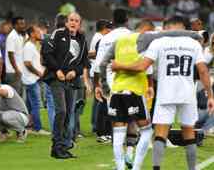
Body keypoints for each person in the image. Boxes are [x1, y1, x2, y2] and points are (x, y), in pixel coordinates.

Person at [111, 16, 214, 170]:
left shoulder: (159, 42)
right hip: (187, 94)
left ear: (166, 27)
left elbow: (141, 66)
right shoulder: (193, 44)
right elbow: (203, 71)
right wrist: (210, 95)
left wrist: (120, 65)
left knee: (160, 135)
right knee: (189, 134)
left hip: (166, 94)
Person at [99, 20, 156, 170]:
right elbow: (143, 67)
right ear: (145, 29)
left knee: (118, 134)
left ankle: (120, 167)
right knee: (146, 130)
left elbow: (103, 64)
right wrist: (150, 85)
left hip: (117, 91)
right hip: (134, 91)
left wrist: (104, 86)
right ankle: (135, 166)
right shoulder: (144, 41)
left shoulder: (119, 41)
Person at [42, 12, 89, 159]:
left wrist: (75, 72)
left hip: (72, 81)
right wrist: (57, 70)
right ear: (66, 22)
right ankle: (56, 147)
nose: (73, 23)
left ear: (79, 23)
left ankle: (63, 147)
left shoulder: (82, 39)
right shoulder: (58, 34)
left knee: (69, 114)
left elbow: (84, 63)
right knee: (61, 111)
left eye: (76, 21)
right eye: (71, 20)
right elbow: (47, 53)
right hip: (56, 79)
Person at [0, 72, 29, 142]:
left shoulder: (6, 87)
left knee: (5, 116)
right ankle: (5, 133)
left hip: (22, 116)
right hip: (7, 115)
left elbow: (4, 93)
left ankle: (22, 131)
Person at [22, 25, 50, 135]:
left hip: (32, 79)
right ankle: (38, 128)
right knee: (36, 105)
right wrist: (38, 73)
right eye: (38, 32)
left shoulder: (33, 45)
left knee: (29, 105)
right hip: (31, 80)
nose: (41, 34)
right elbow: (27, 63)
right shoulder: (29, 46)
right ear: (32, 34)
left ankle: (28, 126)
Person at [88, 19, 112, 139]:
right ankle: (98, 128)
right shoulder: (100, 38)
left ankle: (97, 126)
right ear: (104, 28)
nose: (110, 30)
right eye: (109, 28)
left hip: (97, 71)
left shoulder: (97, 36)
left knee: (99, 101)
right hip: (98, 72)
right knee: (101, 101)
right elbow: (96, 54)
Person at [5, 16, 26, 95]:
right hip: (13, 72)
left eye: (23, 23)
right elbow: (11, 55)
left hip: (19, 71)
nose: (23, 25)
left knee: (20, 96)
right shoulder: (12, 37)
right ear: (15, 25)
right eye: (20, 24)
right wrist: (16, 69)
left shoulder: (20, 36)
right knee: (15, 96)